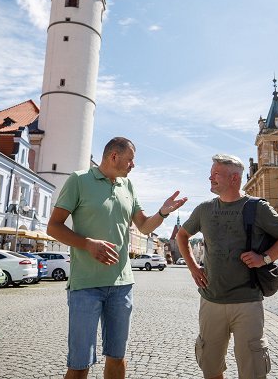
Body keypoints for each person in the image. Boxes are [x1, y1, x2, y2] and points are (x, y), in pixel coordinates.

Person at [48, 137, 187, 379]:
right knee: (79, 364)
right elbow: (54, 227)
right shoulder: (79, 180)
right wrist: (87, 244)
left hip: (121, 286)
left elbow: (143, 227)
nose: (133, 165)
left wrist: (163, 212)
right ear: (114, 156)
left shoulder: (128, 186)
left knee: (117, 357)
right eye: (130, 159)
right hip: (85, 286)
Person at [176, 154, 278, 379]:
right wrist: (193, 267)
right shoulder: (204, 209)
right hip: (211, 300)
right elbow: (182, 236)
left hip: (248, 303)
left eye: (216, 174)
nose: (210, 178)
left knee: (252, 370)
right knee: (210, 368)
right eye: (211, 173)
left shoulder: (257, 208)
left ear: (233, 178)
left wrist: (265, 259)